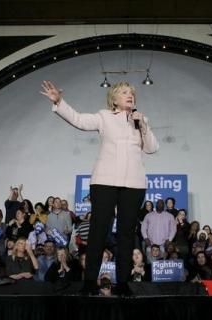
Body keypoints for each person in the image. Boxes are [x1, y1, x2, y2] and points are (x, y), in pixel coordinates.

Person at [41, 80, 159, 295]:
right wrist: (59, 101)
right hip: (104, 181)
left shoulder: (140, 120)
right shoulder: (104, 117)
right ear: (114, 98)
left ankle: (123, 283)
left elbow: (151, 148)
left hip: (134, 184)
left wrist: (142, 124)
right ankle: (89, 282)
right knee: (98, 231)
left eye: (131, 92)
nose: (129, 95)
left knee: (126, 234)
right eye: (124, 92)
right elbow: (78, 120)